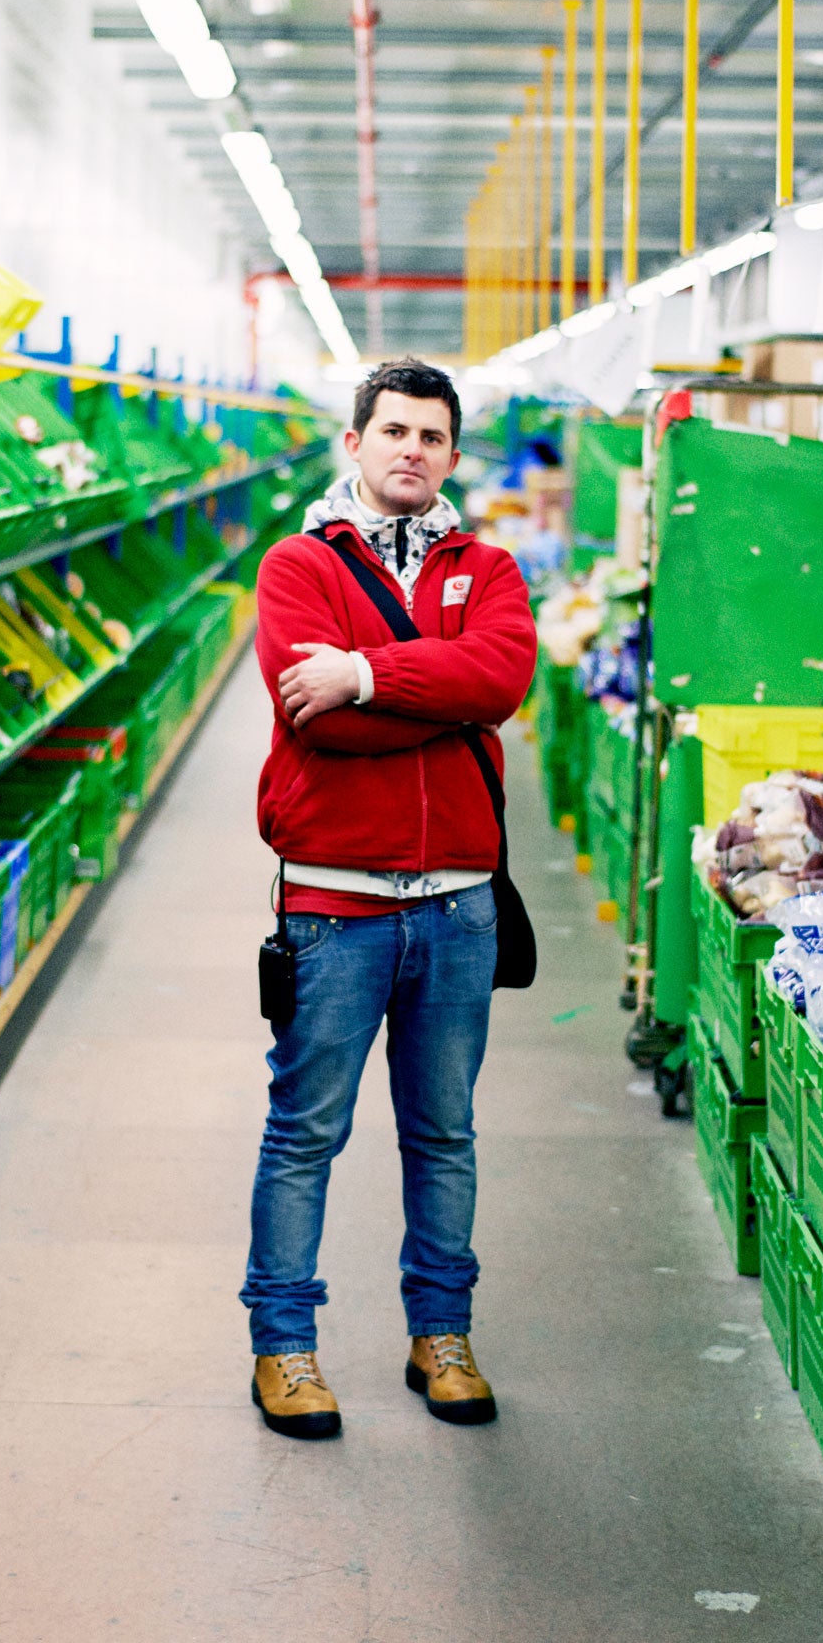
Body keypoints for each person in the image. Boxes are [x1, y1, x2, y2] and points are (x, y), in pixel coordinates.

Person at [242, 356, 537, 1440]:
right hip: (335, 901)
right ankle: (284, 1344)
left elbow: (500, 678)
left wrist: (365, 674)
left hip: (458, 902)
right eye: (393, 430)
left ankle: (440, 1334)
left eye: (431, 435)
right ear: (354, 444)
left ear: (452, 456)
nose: (411, 449)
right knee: (304, 1128)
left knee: (443, 1130)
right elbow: (310, 713)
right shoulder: (295, 566)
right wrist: (442, 693)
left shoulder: (489, 567)